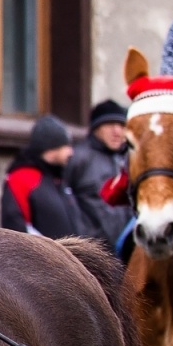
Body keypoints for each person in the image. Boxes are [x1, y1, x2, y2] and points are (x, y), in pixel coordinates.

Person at [63, 100, 132, 254]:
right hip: (89, 255)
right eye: (110, 125)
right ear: (96, 128)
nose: (117, 131)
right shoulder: (78, 158)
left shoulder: (128, 159)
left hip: (123, 256)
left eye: (122, 126)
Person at [0, 114, 85, 239]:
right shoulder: (22, 179)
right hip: (41, 257)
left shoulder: (57, 179)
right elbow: (15, 227)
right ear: (51, 149)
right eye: (66, 146)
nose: (71, 152)